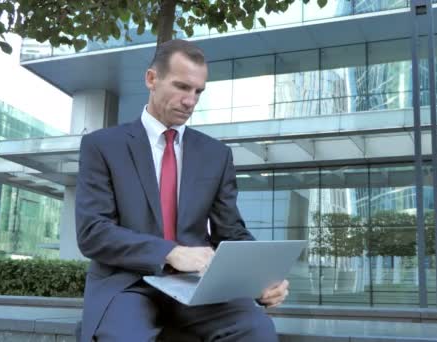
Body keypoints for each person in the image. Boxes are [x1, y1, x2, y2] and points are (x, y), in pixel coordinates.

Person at [75, 39, 289, 342]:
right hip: (127, 284)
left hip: (197, 287)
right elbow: (93, 232)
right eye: (181, 87)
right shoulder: (102, 146)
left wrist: (261, 278)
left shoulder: (216, 154)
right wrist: (171, 253)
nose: (190, 100)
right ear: (152, 79)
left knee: (258, 330)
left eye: (198, 91)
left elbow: (231, 232)